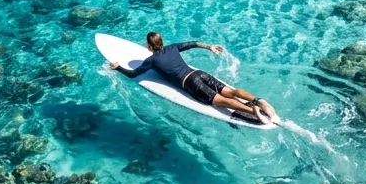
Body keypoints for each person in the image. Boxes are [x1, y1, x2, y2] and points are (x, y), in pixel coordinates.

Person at [110, 32, 277, 125]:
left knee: (223, 101)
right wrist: (210, 47)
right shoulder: (173, 47)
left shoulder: (151, 60)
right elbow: (194, 43)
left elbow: (133, 74)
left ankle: (251, 110)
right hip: (199, 74)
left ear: (149, 46)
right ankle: (257, 100)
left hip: (191, 83)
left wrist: (118, 68)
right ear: (162, 42)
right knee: (231, 92)